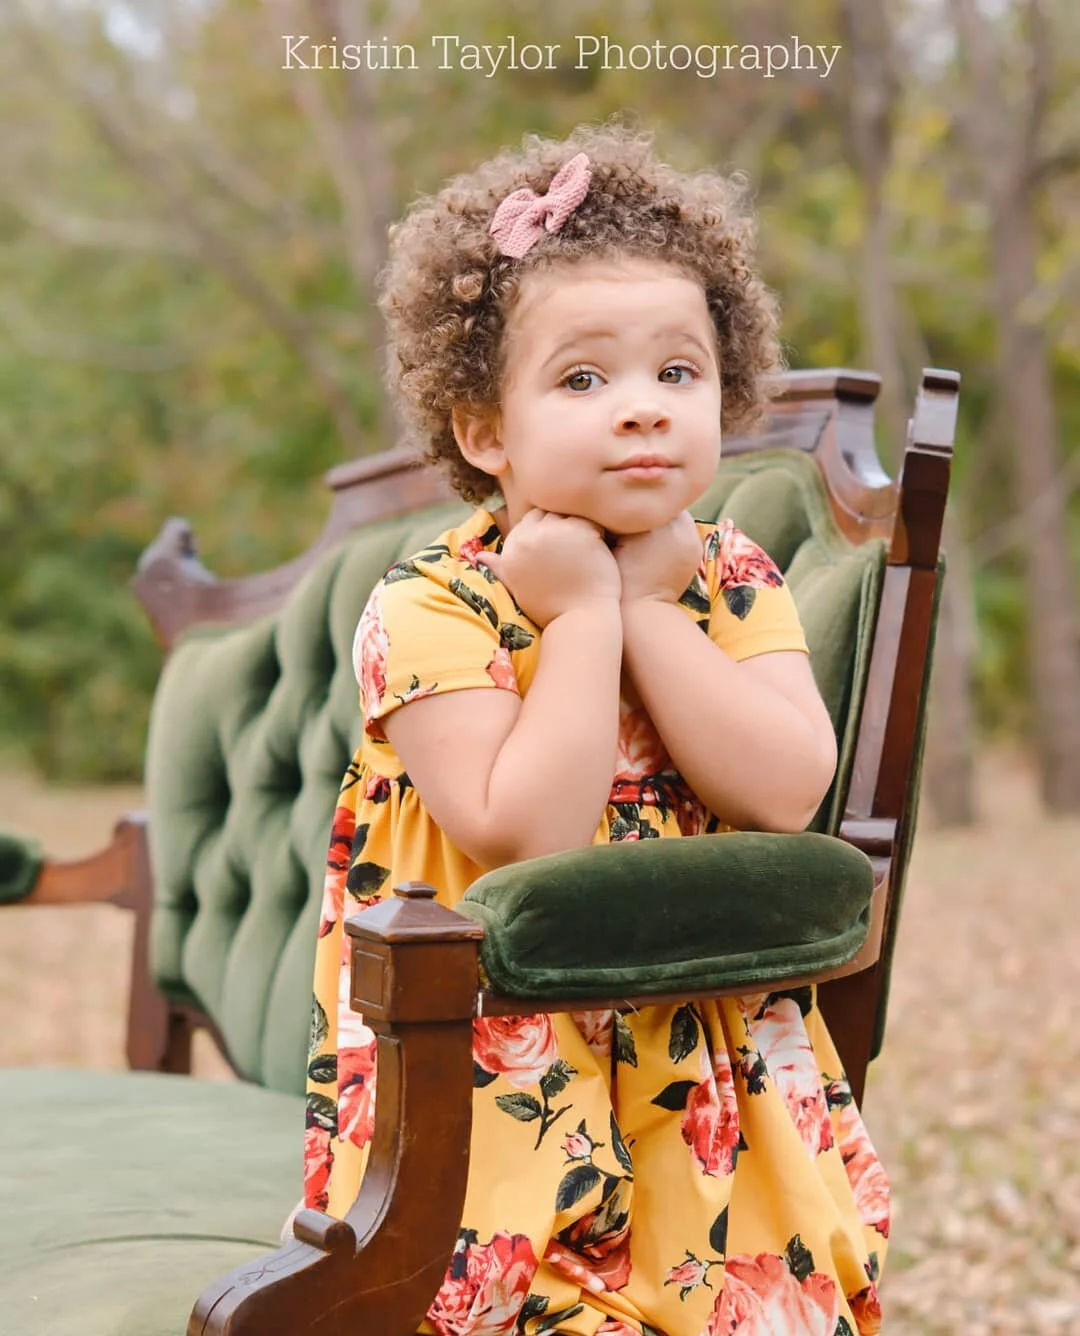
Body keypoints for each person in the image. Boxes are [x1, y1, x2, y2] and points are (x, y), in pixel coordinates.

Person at [303, 122, 889, 1335]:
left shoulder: (727, 578)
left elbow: (787, 789)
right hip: (479, 1046)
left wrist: (650, 611)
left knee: (735, 1297)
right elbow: (529, 834)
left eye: (679, 374)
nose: (643, 412)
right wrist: (577, 617)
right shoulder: (431, 604)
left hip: (700, 1038)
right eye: (584, 379)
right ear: (485, 431)